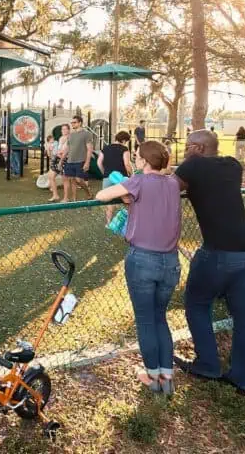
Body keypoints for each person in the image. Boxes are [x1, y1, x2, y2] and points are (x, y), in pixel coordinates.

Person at [172, 129, 245, 395]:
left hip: (221, 251)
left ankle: (208, 364)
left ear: (198, 148)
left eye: (189, 145)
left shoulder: (194, 165)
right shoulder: (232, 166)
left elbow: (168, 187)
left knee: (197, 303)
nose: (185, 149)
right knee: (244, 314)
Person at [95, 140, 181, 395]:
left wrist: (124, 190)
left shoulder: (139, 181)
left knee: (145, 321)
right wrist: (128, 195)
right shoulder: (174, 183)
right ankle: (167, 378)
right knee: (159, 318)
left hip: (143, 260)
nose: (134, 160)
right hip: (170, 261)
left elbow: (102, 194)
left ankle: (154, 378)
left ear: (144, 161)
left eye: (136, 157)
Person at [99, 131, 132, 222]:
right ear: (124, 140)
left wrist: (104, 173)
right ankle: (131, 219)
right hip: (121, 178)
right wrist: (131, 174)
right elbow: (127, 164)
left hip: (107, 177)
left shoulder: (105, 148)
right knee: (127, 200)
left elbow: (99, 162)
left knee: (109, 201)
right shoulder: (124, 149)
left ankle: (109, 222)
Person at [61, 115, 93, 203]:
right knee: (72, 180)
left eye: (74, 122)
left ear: (80, 123)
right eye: (71, 123)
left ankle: (89, 193)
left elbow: (90, 149)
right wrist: (61, 160)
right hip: (70, 161)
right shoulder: (71, 135)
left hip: (80, 161)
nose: (72, 124)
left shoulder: (86, 134)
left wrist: (87, 162)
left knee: (79, 180)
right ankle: (74, 200)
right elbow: (67, 148)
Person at [44, 134, 63, 202]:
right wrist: (49, 150)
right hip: (54, 159)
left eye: (53, 139)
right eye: (51, 139)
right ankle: (52, 189)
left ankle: (55, 194)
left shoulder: (56, 143)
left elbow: (58, 151)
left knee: (52, 176)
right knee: (51, 176)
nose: (53, 140)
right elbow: (49, 154)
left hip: (58, 159)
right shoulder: (48, 145)